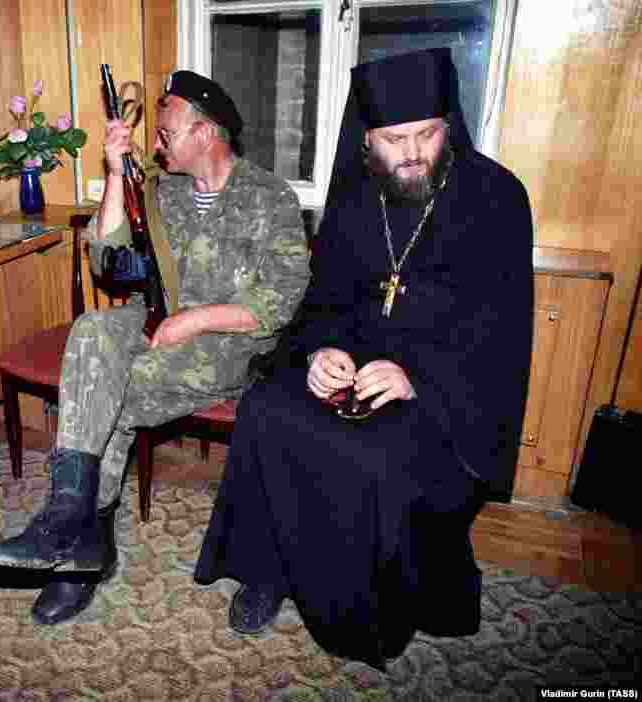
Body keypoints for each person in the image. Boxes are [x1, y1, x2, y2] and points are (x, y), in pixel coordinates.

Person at [193, 47, 534, 667]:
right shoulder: (355, 199)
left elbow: (500, 335)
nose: (410, 153)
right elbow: (324, 301)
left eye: (426, 135)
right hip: (353, 364)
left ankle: (371, 607)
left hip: (443, 388)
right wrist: (321, 351)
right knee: (268, 409)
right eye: (393, 138)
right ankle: (268, 568)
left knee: (376, 455)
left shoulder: (497, 199)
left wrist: (417, 379)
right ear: (367, 139)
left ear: (449, 125)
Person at [0, 70, 312, 625]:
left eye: (166, 133)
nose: (156, 144)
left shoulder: (269, 197)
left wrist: (196, 320)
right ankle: (71, 518)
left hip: (231, 340)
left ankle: (82, 543)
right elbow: (107, 261)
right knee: (92, 330)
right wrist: (114, 174)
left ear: (205, 134)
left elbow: (280, 302)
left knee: (102, 395)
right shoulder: (164, 189)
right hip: (157, 321)